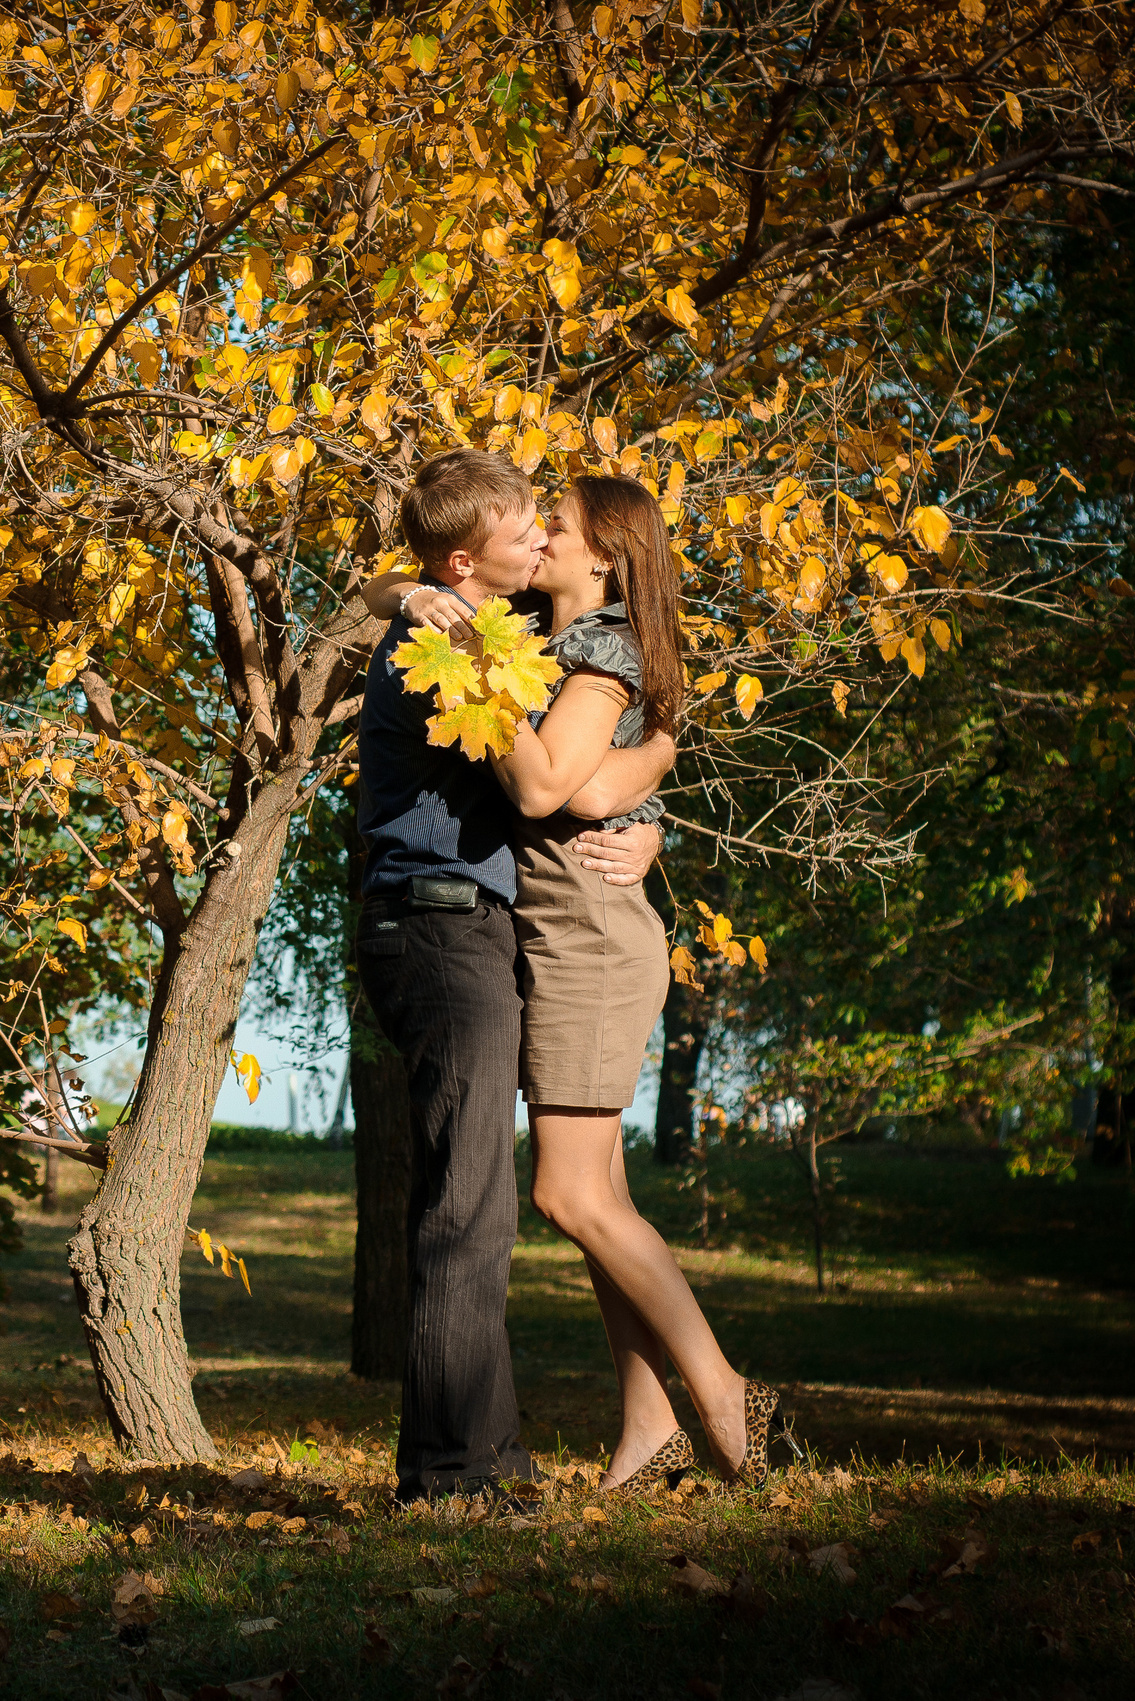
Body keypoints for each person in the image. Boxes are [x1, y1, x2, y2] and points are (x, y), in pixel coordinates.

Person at [352, 450, 673, 1505]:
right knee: (465, 1212)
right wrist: (418, 596)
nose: (539, 535)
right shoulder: (454, 651)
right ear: (465, 557)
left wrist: (653, 803)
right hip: (439, 926)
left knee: (477, 1206)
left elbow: (585, 751)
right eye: (524, 524)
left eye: (549, 523)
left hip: (470, 928)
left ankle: (486, 1459)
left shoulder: (502, 636)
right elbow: (543, 787)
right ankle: (451, 1475)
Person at [489, 476, 786, 1491]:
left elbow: (556, 785)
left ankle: (722, 1392)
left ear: (605, 557)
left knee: (567, 1191)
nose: (534, 537)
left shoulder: (598, 650)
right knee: (599, 1195)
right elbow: (376, 588)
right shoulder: (527, 626)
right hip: (569, 922)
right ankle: (646, 1425)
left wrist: (632, 778)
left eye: (554, 528)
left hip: (585, 931)